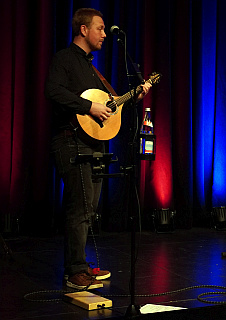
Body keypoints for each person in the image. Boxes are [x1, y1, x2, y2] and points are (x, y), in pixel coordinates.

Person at [45, 8, 151, 289]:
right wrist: (88, 106)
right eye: (100, 28)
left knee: (89, 207)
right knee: (79, 206)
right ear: (83, 30)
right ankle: (74, 271)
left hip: (93, 143)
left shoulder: (92, 68)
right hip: (70, 141)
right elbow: (53, 91)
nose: (105, 34)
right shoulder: (65, 59)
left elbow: (110, 106)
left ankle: (81, 264)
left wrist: (134, 96)